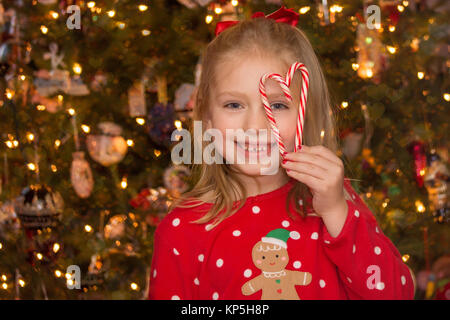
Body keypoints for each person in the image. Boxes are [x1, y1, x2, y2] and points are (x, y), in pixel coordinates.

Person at [148, 7, 414, 300]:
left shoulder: (335, 202)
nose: (256, 125)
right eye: (234, 105)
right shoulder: (182, 230)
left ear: (305, 114)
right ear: (207, 117)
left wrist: (337, 212)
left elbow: (395, 294)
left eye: (278, 105)